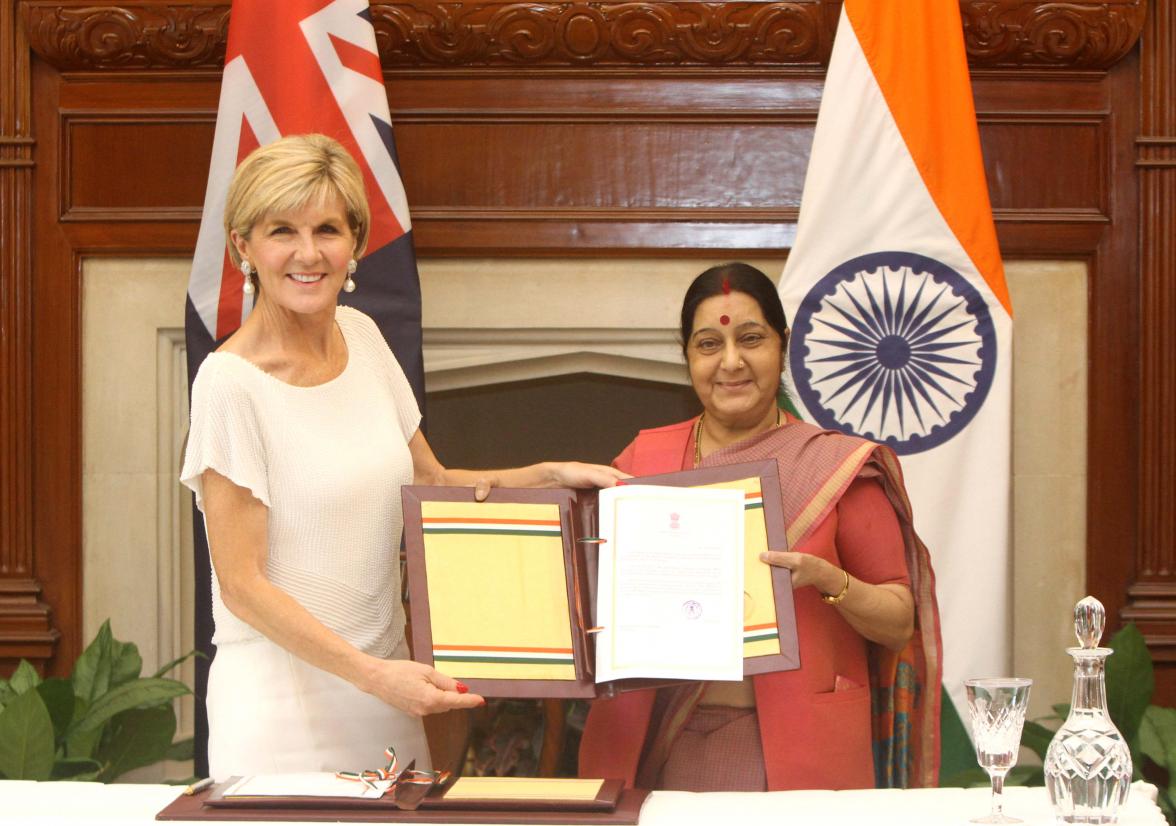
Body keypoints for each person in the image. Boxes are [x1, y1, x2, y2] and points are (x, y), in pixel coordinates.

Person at [180, 134, 624, 780]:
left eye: (327, 229)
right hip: (282, 713)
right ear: (243, 247)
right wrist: (375, 677)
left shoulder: (363, 336)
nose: (308, 253)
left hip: (390, 695)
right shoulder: (228, 384)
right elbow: (242, 587)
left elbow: (434, 481)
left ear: (355, 243)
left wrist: (549, 476)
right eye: (283, 231)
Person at [578, 262, 942, 791]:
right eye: (708, 344)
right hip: (652, 740)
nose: (731, 362)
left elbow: (897, 622)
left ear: (783, 344)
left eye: (751, 339)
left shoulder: (835, 465)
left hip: (793, 748)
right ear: (686, 355)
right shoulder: (644, 457)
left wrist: (827, 580)